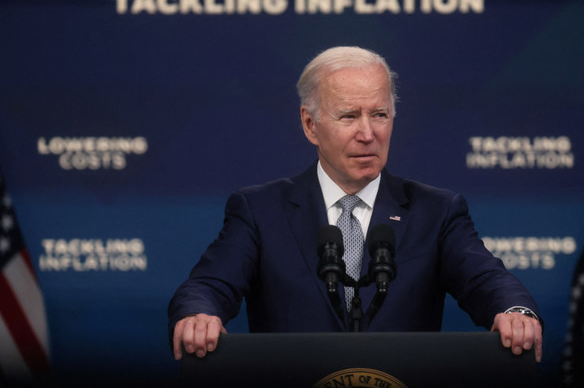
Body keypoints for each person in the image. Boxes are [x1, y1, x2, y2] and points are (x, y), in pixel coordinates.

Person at [168, 46, 543, 363]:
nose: (368, 134)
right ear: (310, 124)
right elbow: (207, 285)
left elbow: (487, 280)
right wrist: (200, 314)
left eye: (379, 115)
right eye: (349, 116)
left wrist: (516, 311)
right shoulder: (260, 210)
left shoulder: (436, 212)